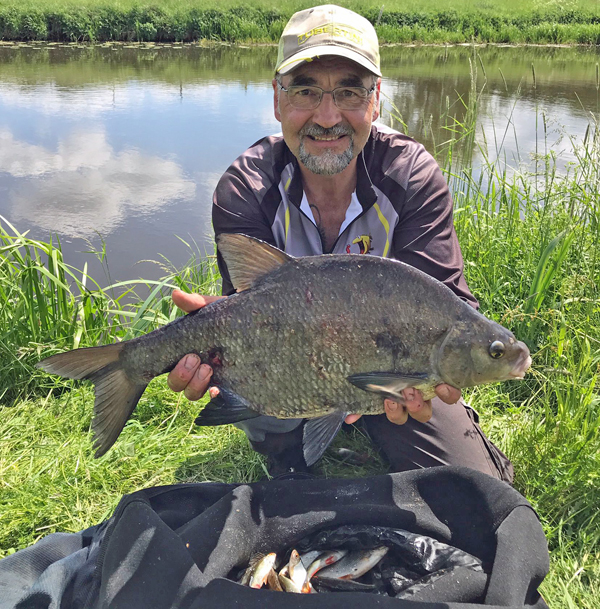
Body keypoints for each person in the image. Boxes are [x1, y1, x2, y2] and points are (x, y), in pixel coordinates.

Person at [166, 4, 514, 483]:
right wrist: (208, 346)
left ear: (376, 101)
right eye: (305, 91)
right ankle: (288, 449)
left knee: (472, 486)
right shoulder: (246, 187)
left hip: (395, 378)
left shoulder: (411, 177)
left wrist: (438, 378)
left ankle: (382, 428)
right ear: (277, 99)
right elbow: (245, 312)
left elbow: (448, 307)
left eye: (349, 92)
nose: (327, 117)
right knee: (276, 427)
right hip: (289, 364)